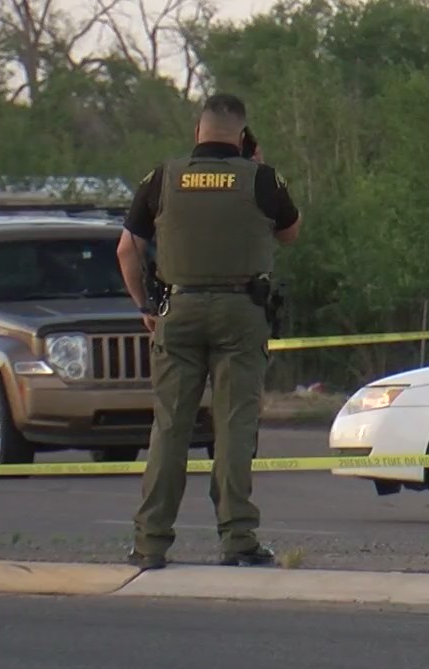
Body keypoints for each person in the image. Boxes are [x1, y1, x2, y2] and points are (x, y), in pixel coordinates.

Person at [117, 93, 300, 570]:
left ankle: (150, 543)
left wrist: (146, 304)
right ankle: (238, 540)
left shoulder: (163, 178)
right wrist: (256, 167)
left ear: (198, 133)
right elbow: (290, 233)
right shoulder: (262, 179)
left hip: (178, 309)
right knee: (235, 427)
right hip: (242, 313)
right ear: (242, 136)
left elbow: (126, 250)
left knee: (170, 428)